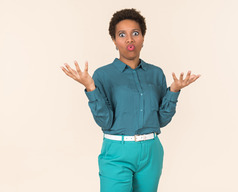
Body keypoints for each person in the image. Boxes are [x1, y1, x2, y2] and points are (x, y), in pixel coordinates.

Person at [60, 8, 200, 192]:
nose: (129, 39)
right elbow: (105, 121)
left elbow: (161, 120)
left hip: (151, 151)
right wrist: (90, 87)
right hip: (117, 151)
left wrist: (174, 90)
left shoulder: (155, 73)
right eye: (122, 34)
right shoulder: (102, 75)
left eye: (135, 33)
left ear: (143, 37)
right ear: (114, 41)